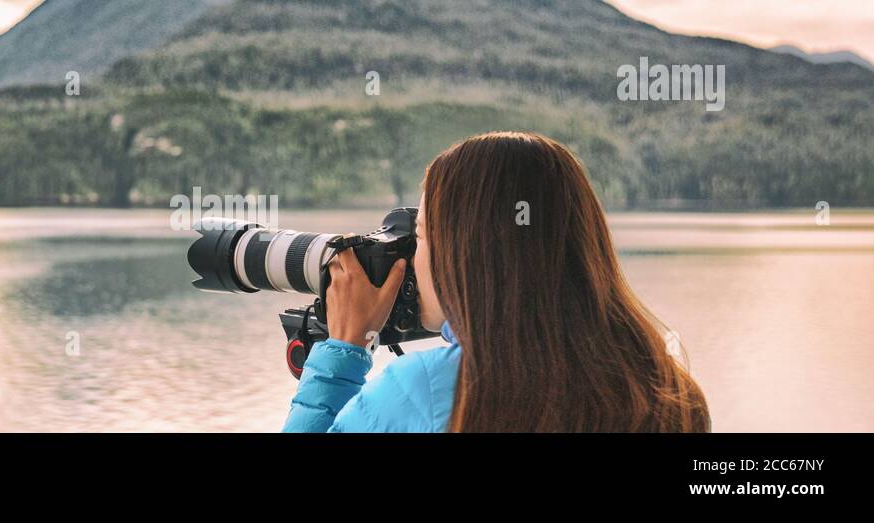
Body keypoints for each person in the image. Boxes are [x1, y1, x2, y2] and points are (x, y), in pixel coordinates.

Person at [282, 131, 710, 432]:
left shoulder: (424, 391)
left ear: (464, 255)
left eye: (422, 235)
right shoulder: (664, 388)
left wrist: (343, 353)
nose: (413, 256)